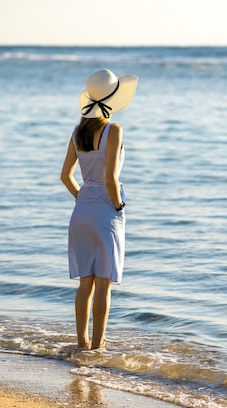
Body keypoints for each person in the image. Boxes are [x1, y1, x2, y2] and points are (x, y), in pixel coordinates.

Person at [60, 69, 138, 350]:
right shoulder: (113, 130)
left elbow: (65, 176)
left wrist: (82, 196)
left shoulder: (78, 131)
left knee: (85, 284)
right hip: (106, 210)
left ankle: (82, 344)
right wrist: (118, 204)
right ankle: (98, 346)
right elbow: (111, 179)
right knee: (104, 285)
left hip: (81, 211)